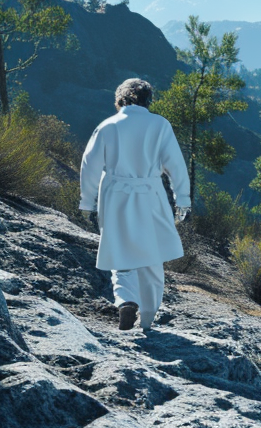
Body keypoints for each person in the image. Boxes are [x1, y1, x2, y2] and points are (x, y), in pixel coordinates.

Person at [78, 78, 190, 331]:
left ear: (120, 99)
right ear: (148, 100)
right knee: (152, 256)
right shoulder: (160, 125)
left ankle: (126, 300)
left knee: (120, 251)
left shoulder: (108, 126)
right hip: (151, 194)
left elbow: (90, 165)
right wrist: (182, 199)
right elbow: (175, 165)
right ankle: (148, 318)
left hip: (115, 194)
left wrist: (88, 201)